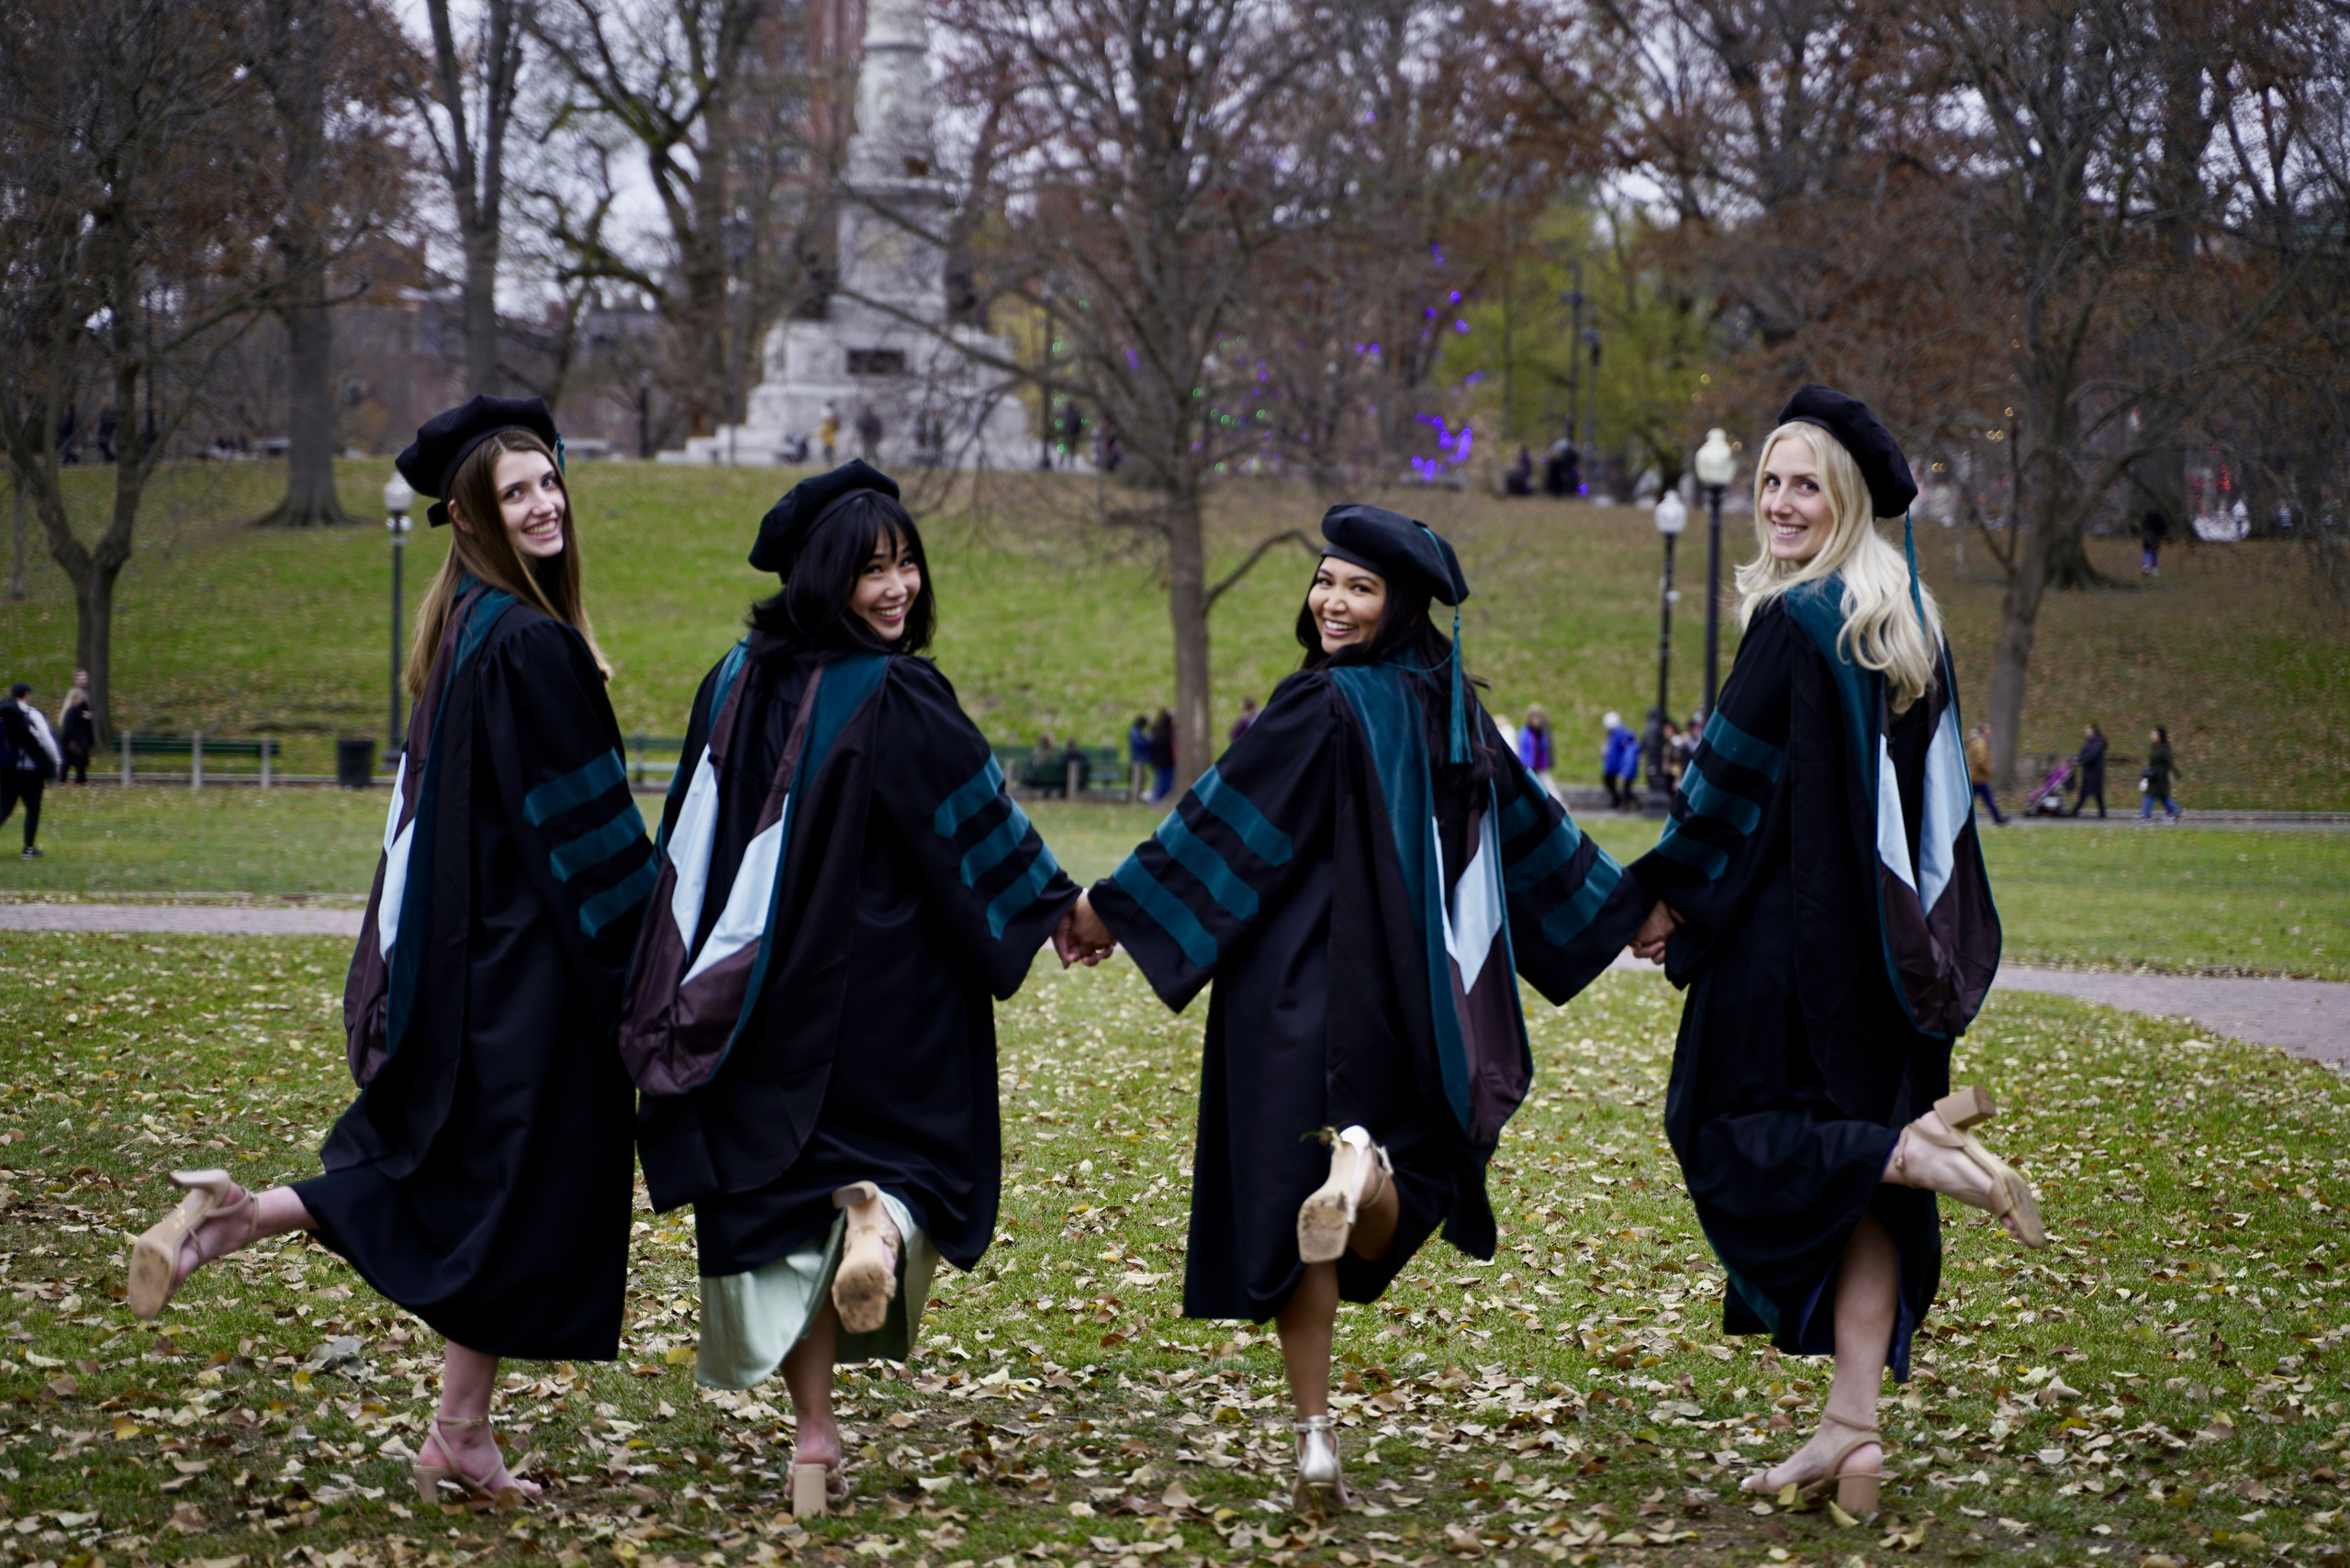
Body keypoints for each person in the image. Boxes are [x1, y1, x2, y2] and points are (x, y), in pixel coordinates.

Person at [1055, 504, 1655, 1511]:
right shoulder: (1448, 705)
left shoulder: (1318, 707)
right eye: (1325, 580)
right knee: (1376, 1191)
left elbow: (1220, 826)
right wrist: (1628, 912)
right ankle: (1363, 1173)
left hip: (1293, 995)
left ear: (1401, 602)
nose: (1331, 601)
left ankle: (1315, 1434)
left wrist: (1107, 912)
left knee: (1294, 1225)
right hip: (1411, 1005)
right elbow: (1535, 837)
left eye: (1358, 587)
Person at [123, 397, 655, 1506]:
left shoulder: (461, 632)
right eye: (516, 492)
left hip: (467, 973)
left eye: (549, 481)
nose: (544, 502)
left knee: (479, 1189)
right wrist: (655, 969)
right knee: (501, 1194)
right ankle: (234, 1220)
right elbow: (590, 840)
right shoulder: (531, 645)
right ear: (469, 518)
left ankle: (457, 1432)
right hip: (537, 985)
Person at [621, 462, 1080, 1516]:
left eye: (906, 561)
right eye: (872, 568)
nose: (898, 587)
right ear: (824, 576)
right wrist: (1057, 911)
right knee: (908, 1162)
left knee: (777, 1205)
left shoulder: (733, 680)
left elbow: (691, 836)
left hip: (753, 1003)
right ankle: (880, 1222)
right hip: (886, 992)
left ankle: (813, 1440)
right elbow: (976, 822)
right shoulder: (894, 692)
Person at [1626, 386, 2026, 1520]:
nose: (1781, 502)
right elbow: (1943, 816)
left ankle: (1918, 1153)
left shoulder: (1796, 621)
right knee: (1862, 1194)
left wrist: (1662, 903)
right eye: (1769, 481)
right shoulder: (1909, 625)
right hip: (1893, 964)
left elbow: (1727, 796)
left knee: (1726, 1128)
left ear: (1845, 498)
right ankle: (1854, 1434)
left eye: (1806, 483)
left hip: (1789, 959)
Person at [0, 683, 62, 858]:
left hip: (7, 770)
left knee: (4, 809)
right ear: (27, 694)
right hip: (30, 772)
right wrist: (56, 762)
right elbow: (47, 740)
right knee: (33, 808)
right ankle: (28, 849)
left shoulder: (3, 713)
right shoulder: (32, 714)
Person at [1964, 722, 2006, 824]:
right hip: (1979, 778)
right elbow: (1980, 761)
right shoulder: (1980, 743)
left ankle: (1997, 818)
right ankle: (1998, 819)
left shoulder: (1975, 742)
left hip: (1975, 777)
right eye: (1988, 730)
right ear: (1983, 731)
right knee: (1988, 800)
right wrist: (1988, 770)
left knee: (1972, 802)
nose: (1990, 732)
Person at [1516, 703, 1559, 801]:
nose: (1536, 720)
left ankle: (1559, 805)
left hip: (1541, 766)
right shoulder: (1525, 732)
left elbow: (1546, 749)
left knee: (1549, 787)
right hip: (1529, 766)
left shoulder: (1542, 732)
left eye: (1538, 717)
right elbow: (1523, 750)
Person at [58, 670, 94, 785]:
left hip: (81, 734)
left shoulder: (86, 695)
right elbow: (70, 718)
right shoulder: (73, 698)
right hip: (74, 735)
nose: (84, 680)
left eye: (85, 678)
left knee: (79, 758)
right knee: (70, 759)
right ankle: (66, 779)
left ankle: (80, 778)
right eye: (81, 678)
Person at [2141, 725, 2182, 821]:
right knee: (2163, 798)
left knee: (2150, 795)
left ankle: (2145, 815)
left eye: (2154, 734)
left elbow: (2169, 762)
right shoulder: (2155, 747)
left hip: (2160, 778)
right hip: (2154, 776)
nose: (2152, 736)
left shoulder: (2163, 749)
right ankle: (2176, 811)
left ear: (2160, 736)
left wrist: (2176, 773)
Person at [1601, 711, 1639, 810]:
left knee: (1625, 787)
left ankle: (1625, 803)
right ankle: (1621, 802)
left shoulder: (1620, 735)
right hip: (1614, 764)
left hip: (1617, 765)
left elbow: (1624, 753)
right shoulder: (1613, 735)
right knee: (1614, 784)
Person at [2069, 723, 2107, 818]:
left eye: (2088, 730)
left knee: (2091, 794)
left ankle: (2075, 811)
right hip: (2089, 772)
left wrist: (2079, 760)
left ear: (2093, 731)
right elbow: (2085, 753)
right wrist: (2077, 758)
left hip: (2094, 773)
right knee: (2094, 794)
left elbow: (2091, 755)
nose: (2085, 732)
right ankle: (2102, 813)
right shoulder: (2090, 742)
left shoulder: (2098, 743)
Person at [1147, 707, 1175, 801]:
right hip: (1166, 760)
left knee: (1162, 782)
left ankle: (1158, 799)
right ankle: (1158, 799)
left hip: (1161, 760)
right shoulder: (1170, 730)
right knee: (1162, 782)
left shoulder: (1156, 729)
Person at [1127, 713, 1152, 800]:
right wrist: (1149, 741)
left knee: (1142, 777)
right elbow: (1140, 744)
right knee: (1138, 778)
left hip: (1140, 758)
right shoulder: (1134, 732)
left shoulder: (1137, 731)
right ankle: (1136, 796)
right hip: (1138, 759)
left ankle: (1139, 794)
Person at [2139, 508, 2167, 577]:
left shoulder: (2146, 518)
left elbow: (2143, 527)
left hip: (2147, 537)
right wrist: (2162, 536)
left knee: (2147, 552)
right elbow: (2163, 527)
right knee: (2154, 553)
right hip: (2156, 537)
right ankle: (2154, 569)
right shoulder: (2160, 518)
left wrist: (2144, 535)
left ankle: (2146, 567)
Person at [819, 400, 841, 465]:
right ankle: (830, 464)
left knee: (828, 454)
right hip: (829, 441)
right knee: (829, 454)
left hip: (829, 441)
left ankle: (830, 465)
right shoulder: (830, 423)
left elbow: (823, 431)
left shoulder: (828, 424)